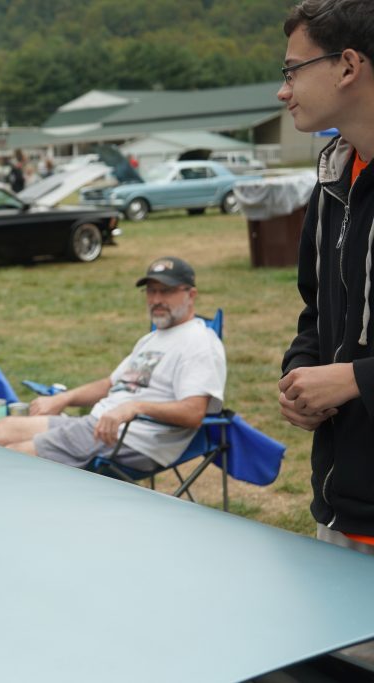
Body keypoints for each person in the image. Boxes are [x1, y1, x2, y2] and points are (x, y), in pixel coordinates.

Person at [276, 0, 374, 555]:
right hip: (341, 509)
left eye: (292, 70)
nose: (283, 91)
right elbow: (316, 313)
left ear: (347, 66)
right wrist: (300, 375)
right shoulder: (333, 182)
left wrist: (357, 379)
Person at [0, 257, 226, 469]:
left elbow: (194, 412)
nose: (156, 299)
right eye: (151, 291)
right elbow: (110, 384)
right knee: (5, 428)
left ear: (191, 295)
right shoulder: (151, 339)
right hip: (98, 425)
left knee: (13, 457)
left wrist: (135, 407)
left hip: (133, 438)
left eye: (165, 291)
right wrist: (63, 398)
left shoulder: (200, 343)